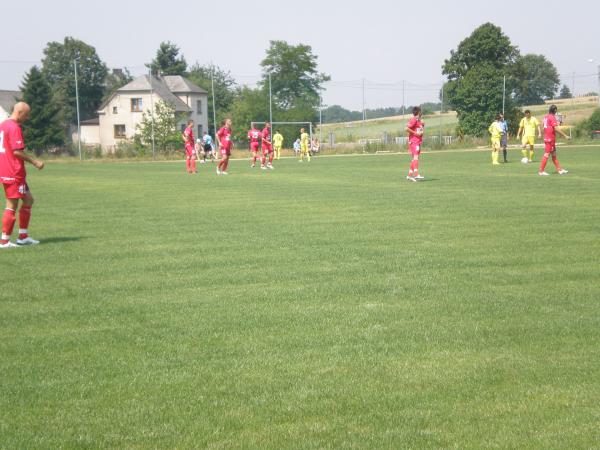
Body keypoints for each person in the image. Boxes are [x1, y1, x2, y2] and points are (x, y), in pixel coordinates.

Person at [0, 102, 45, 248]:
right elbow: (16, 151)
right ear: (19, 112)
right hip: (13, 172)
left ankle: (23, 237)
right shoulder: (14, 127)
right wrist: (34, 161)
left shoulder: (3, 125)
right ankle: (4, 241)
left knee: (28, 200)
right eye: (26, 115)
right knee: (12, 204)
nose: (27, 118)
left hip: (9, 170)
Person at [539, 104, 569, 176]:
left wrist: (545, 134)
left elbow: (543, 127)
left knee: (554, 154)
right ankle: (541, 171)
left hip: (548, 138)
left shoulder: (546, 117)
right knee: (546, 154)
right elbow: (555, 128)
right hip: (550, 139)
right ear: (555, 110)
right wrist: (565, 135)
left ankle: (559, 170)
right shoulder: (552, 117)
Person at [405, 106, 425, 181]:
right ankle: (416, 174)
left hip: (418, 141)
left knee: (415, 158)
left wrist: (423, 125)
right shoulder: (414, 120)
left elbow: (421, 131)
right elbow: (406, 128)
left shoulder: (419, 120)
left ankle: (410, 175)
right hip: (414, 141)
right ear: (419, 112)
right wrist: (415, 133)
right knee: (416, 157)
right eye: (421, 111)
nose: (422, 112)